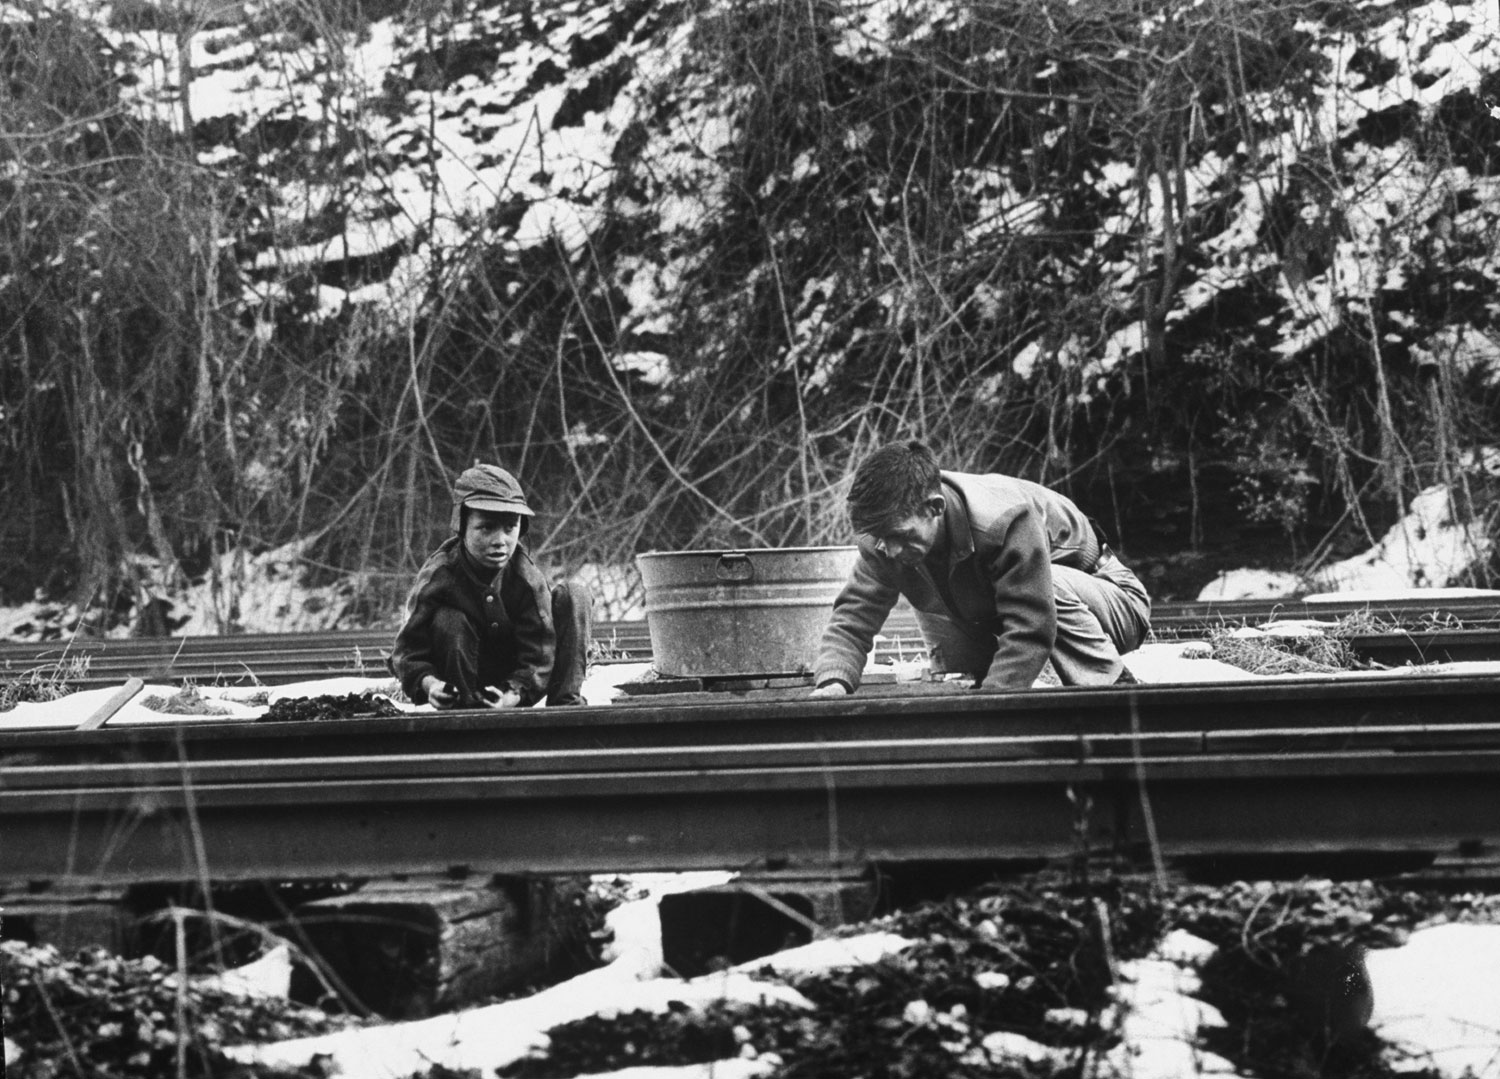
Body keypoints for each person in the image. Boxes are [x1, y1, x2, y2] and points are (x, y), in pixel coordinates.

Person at [811, 440, 1150, 696]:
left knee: (1048, 583)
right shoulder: (886, 539)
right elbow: (853, 617)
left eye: (899, 535)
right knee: (925, 586)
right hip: (1016, 616)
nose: (889, 549)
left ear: (935, 508)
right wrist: (833, 682)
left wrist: (991, 708)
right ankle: (976, 681)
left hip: (1113, 602)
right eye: (880, 538)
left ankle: (1112, 687)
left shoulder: (1004, 519)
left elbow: (1030, 628)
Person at [389, 463, 592, 708]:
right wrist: (430, 684)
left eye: (510, 528)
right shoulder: (438, 574)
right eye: (486, 527)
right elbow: (407, 650)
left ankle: (566, 708)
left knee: (574, 594)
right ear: (462, 526)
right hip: (458, 684)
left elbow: (539, 651)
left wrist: (514, 693)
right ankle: (463, 713)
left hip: (514, 686)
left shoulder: (526, 576)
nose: (500, 541)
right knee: (449, 620)